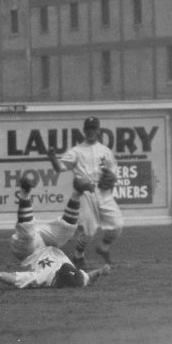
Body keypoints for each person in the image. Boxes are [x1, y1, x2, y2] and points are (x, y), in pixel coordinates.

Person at [0, 173, 107, 289]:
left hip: (29, 251)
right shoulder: (78, 279)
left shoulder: (44, 278)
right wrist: (101, 271)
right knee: (68, 229)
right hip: (50, 243)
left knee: (27, 233)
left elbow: (15, 279)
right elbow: (89, 277)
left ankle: (24, 192)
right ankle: (77, 193)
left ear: (58, 279)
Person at [47, 115, 123, 270]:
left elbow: (114, 171)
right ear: (84, 131)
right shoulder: (76, 151)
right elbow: (59, 168)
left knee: (117, 225)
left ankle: (103, 248)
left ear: (98, 130)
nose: (90, 131)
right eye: (88, 129)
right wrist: (53, 158)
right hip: (85, 193)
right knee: (88, 232)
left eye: (93, 128)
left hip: (104, 193)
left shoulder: (105, 151)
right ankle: (78, 255)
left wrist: (113, 177)